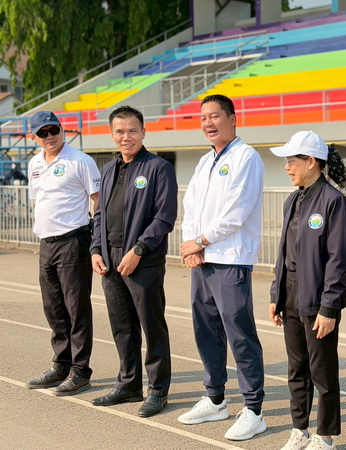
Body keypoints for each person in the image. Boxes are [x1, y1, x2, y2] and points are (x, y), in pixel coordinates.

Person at [178, 94, 266, 441]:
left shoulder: (247, 157)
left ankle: (254, 409)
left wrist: (202, 240)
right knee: (206, 330)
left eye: (215, 116)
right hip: (202, 258)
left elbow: (238, 209)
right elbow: (191, 206)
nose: (208, 123)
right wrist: (191, 245)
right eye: (203, 118)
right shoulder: (205, 161)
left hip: (230, 258)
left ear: (232, 119)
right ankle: (215, 399)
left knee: (239, 334)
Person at [90, 106, 177, 418]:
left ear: (143, 132)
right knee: (122, 327)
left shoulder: (158, 168)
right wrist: (96, 249)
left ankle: (158, 390)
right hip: (110, 260)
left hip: (143, 259)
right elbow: (99, 215)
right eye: (120, 131)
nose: (126, 136)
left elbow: (165, 216)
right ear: (112, 134)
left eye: (132, 130)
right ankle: (128, 384)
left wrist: (139, 250)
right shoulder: (108, 171)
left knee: (152, 327)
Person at [268, 131, 346, 450]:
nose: (287, 167)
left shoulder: (334, 202)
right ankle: (299, 430)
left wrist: (329, 307)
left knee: (322, 371)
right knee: (296, 368)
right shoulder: (292, 200)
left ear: (312, 161)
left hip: (318, 298)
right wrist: (276, 295)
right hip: (290, 293)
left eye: (292, 160)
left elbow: (337, 260)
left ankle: (326, 437)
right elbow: (283, 251)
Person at [26, 111, 100, 396]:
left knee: (76, 308)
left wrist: (96, 242)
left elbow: (98, 201)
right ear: (34, 137)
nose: (50, 136)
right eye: (42, 133)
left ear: (61, 129)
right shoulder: (34, 163)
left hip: (73, 242)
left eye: (53, 130)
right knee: (53, 308)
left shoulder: (80, 161)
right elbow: (41, 200)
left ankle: (80, 371)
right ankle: (61, 365)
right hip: (46, 243)